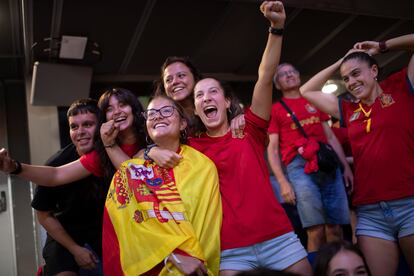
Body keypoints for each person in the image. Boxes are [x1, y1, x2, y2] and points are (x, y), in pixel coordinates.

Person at [188, 2, 312, 275]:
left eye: (213, 92)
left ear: (227, 100)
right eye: (199, 95)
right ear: (196, 109)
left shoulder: (250, 128)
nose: (206, 98)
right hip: (230, 249)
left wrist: (276, 29)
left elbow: (265, 77)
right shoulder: (191, 147)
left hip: (278, 238)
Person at [300, 34, 414, 276]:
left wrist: (383, 46)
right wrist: (344, 59)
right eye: (345, 78)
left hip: (410, 203)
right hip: (371, 213)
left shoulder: (402, 85)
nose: (351, 82)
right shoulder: (348, 109)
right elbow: (306, 90)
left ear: (374, 71)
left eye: (356, 73)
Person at [102, 95, 222, 275]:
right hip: (155, 268)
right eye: (151, 114)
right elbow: (129, 229)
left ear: (182, 124)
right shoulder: (130, 171)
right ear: (147, 127)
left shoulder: (203, 166)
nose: (158, 116)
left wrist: (198, 261)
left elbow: (208, 227)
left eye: (166, 111)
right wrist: (174, 255)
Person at [267, 62, 352, 252]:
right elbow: (272, 149)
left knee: (336, 229)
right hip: (298, 166)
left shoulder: (314, 100)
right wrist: (282, 182)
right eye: (282, 74)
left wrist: (345, 167)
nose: (289, 75)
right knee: (315, 230)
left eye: (292, 71)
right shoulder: (276, 109)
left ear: (299, 76)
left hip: (327, 162)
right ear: (278, 84)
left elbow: (329, 136)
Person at [0, 87, 145, 186]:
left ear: (134, 107)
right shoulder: (104, 152)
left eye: (123, 105)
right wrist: (14, 167)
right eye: (109, 109)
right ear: (104, 119)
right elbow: (56, 175)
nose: (117, 112)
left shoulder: (152, 136)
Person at [31, 99, 104, 276]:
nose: (80, 132)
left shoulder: (111, 156)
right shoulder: (56, 164)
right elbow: (43, 215)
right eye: (74, 127)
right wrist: (75, 250)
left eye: (87, 124)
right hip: (66, 233)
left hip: (104, 230)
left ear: (101, 126)